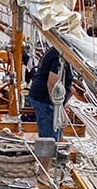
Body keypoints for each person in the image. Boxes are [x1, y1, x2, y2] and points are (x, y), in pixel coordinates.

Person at [30, 47, 74, 182]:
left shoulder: (59, 50)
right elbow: (52, 83)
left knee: (54, 136)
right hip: (45, 99)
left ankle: (47, 168)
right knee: (49, 138)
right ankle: (43, 175)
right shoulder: (59, 55)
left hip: (45, 97)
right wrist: (58, 107)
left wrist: (65, 99)